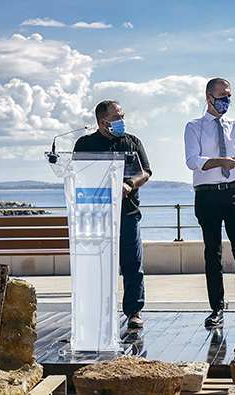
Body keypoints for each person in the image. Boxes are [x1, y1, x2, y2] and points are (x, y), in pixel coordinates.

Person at [184, 77, 235, 330]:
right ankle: (216, 309)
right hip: (206, 195)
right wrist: (221, 162)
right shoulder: (194, 127)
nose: (227, 100)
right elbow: (193, 161)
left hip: (233, 192)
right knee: (212, 253)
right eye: (222, 96)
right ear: (209, 98)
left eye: (229, 95)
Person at [74, 100, 152, 329]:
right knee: (97, 266)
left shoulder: (132, 141)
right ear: (102, 122)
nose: (122, 121)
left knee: (132, 264)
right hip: (96, 215)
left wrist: (129, 184)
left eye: (122, 116)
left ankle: (134, 311)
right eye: (117, 118)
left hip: (127, 214)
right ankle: (97, 311)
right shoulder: (85, 143)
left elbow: (145, 172)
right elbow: (76, 175)